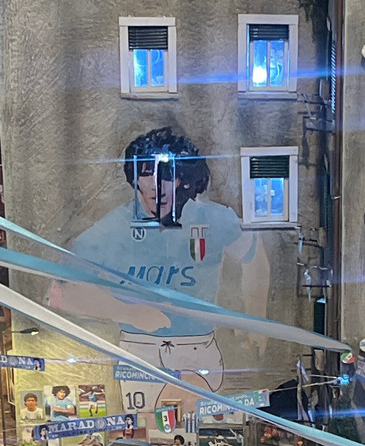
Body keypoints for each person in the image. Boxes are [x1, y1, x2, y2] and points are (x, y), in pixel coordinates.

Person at [52, 127, 272, 413]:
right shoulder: (111, 230)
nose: (157, 185)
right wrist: (128, 312)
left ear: (181, 179)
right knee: (152, 426)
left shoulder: (211, 218)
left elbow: (254, 254)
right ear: (135, 180)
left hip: (198, 347)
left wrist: (256, 317)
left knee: (192, 420)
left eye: (167, 175)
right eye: (147, 174)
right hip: (140, 349)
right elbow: (61, 294)